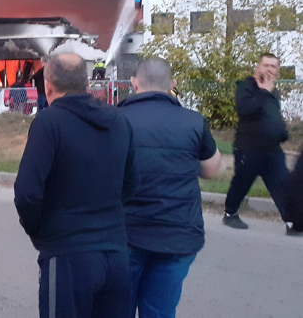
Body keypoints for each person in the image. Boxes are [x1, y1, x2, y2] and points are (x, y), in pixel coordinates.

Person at [14, 52, 137, 318]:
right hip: (116, 254)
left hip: (68, 256)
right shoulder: (119, 121)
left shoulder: (49, 123)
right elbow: (130, 184)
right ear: (87, 83)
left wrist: (39, 231)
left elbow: (26, 193)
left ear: (47, 86)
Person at [116, 57, 222, 318]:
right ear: (172, 84)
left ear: (133, 84)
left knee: (117, 309)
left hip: (125, 235)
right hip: (178, 234)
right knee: (160, 311)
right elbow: (211, 169)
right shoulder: (193, 121)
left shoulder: (115, 119)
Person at [222, 53, 291, 229]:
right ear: (258, 67)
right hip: (249, 148)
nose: (269, 69)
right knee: (242, 182)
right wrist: (263, 92)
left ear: (277, 71)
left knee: (282, 184)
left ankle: (292, 221)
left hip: (272, 150)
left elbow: (273, 114)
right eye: (266, 65)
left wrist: (282, 132)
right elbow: (245, 109)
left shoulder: (273, 90)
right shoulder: (246, 86)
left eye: (273, 66)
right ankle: (230, 213)